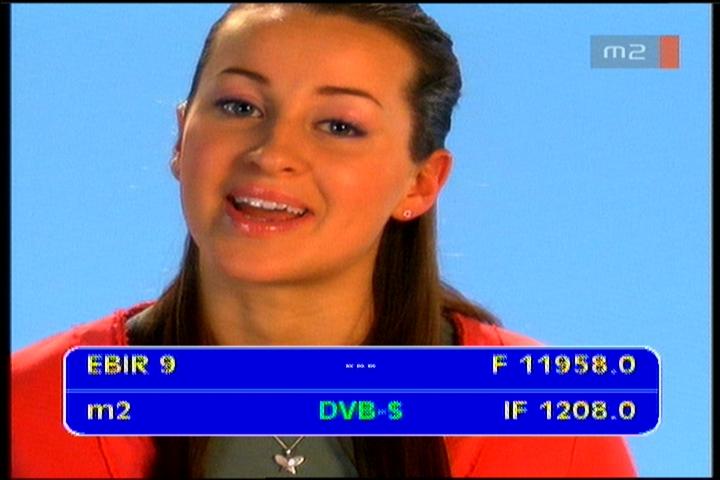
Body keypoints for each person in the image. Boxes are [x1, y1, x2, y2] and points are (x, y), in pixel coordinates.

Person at [11, 3, 637, 478]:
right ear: (180, 137)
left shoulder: (546, 421)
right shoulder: (30, 405)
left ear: (421, 182)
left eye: (339, 125)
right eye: (239, 107)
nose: (272, 153)